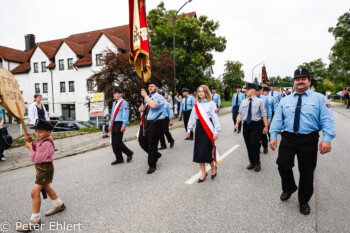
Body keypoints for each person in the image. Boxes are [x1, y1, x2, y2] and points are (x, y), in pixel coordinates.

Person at [269, 68, 336, 215]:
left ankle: (303, 200)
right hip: (288, 137)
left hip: (309, 139)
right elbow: (278, 119)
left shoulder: (320, 99)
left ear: (309, 81)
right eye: (297, 79)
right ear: (294, 82)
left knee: (307, 171)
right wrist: (273, 136)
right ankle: (289, 187)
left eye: (304, 78)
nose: (300, 81)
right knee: (282, 164)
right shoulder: (285, 100)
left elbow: (327, 119)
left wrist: (327, 139)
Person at [17, 119, 65, 232]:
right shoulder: (42, 140)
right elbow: (37, 149)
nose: (37, 134)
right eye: (36, 131)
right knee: (47, 187)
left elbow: (36, 159)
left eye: (40, 132)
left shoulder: (47, 143)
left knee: (34, 192)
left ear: (49, 132)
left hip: (45, 169)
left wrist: (29, 148)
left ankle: (35, 220)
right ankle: (59, 204)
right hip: (43, 168)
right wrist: (31, 141)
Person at [187, 85, 221, 183]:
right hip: (199, 129)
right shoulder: (196, 105)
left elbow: (215, 118)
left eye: (203, 91)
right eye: (199, 91)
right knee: (198, 152)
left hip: (208, 129)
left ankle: (213, 168)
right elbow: (193, 118)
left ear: (206, 93)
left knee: (206, 151)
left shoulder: (211, 104)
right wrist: (189, 129)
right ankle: (203, 173)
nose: (200, 93)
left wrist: (216, 131)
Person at [235, 83, 268, 172]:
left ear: (253, 90)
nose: (247, 91)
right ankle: (252, 162)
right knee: (248, 145)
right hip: (246, 125)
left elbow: (264, 114)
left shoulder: (260, 101)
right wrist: (237, 123)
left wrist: (266, 126)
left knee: (254, 144)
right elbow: (240, 114)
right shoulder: (243, 101)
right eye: (246, 89)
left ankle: (257, 162)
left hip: (255, 125)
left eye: (248, 89)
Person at [138, 79, 165, 174]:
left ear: (157, 88)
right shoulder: (147, 97)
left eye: (152, 86)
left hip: (155, 123)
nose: (150, 88)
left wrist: (145, 96)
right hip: (146, 122)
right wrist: (141, 108)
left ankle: (152, 165)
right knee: (141, 141)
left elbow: (153, 106)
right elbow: (141, 108)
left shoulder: (159, 97)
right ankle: (156, 154)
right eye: (149, 86)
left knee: (152, 143)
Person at [108, 88, 133, 165]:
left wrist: (124, 125)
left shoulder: (124, 103)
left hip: (120, 123)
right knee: (114, 143)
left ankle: (129, 153)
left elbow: (125, 115)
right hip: (114, 124)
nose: (114, 95)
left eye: (115, 93)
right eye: (113, 93)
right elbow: (112, 115)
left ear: (120, 94)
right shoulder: (114, 103)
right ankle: (119, 158)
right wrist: (110, 124)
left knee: (118, 142)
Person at [257, 86, 272, 154]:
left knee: (263, 135)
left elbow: (268, 110)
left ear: (261, 90)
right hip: (255, 120)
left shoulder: (265, 98)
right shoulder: (252, 98)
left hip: (263, 119)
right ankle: (258, 147)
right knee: (256, 135)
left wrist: (268, 119)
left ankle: (265, 146)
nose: (257, 91)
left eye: (259, 90)